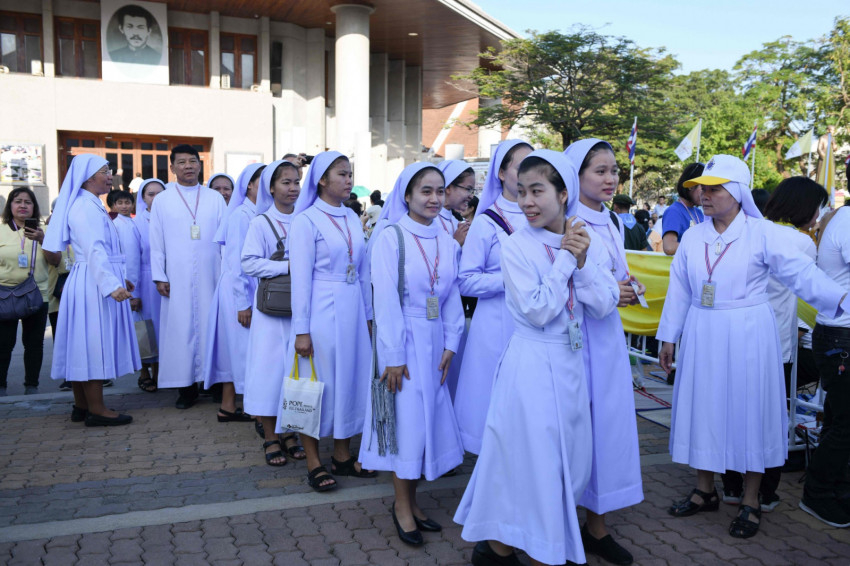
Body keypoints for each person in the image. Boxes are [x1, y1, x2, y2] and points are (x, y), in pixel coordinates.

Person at [657, 154, 849, 538]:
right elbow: (679, 288)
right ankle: (704, 489)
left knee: (750, 411)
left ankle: (750, 499)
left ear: (738, 192)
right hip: (702, 329)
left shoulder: (763, 233)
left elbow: (800, 273)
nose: (704, 194)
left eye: (715, 189)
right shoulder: (693, 235)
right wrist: (668, 337)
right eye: (702, 188)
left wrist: (839, 301)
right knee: (704, 406)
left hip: (749, 332)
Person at [455, 149, 619, 566]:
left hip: (570, 364)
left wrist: (583, 263)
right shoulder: (516, 246)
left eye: (537, 191)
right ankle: (515, 547)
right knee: (529, 462)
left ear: (563, 194)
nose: (526, 201)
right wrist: (566, 259)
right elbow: (538, 310)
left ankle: (512, 544)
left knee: (570, 461)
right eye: (522, 191)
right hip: (530, 365)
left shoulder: (586, 239)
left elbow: (604, 304)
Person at [359, 162, 464, 546]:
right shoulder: (391, 237)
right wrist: (393, 355)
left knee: (426, 423)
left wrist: (451, 343)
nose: (435, 198)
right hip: (403, 341)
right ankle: (402, 507)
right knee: (407, 425)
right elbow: (385, 299)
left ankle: (414, 502)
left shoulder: (447, 239)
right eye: (426, 191)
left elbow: (450, 294)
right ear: (407, 195)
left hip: (434, 341)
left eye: (440, 191)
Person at [717, 176, 829, 512]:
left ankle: (731, 485)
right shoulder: (802, 243)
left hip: (736, 335)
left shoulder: (749, 230)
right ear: (804, 208)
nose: (819, 216)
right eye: (818, 208)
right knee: (768, 421)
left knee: (733, 413)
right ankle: (765, 492)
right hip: (774, 342)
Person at [565, 139, 645, 565]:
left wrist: (629, 287)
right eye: (600, 170)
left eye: (613, 170)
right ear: (575, 174)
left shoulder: (612, 220)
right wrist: (613, 290)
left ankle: (596, 525)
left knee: (607, 426)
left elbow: (615, 271)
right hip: (577, 337)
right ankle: (562, 522)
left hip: (608, 336)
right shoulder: (569, 222)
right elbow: (570, 280)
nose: (611, 178)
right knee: (576, 427)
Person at [287, 151, 376, 491]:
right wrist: (302, 330)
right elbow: (300, 280)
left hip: (352, 308)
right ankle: (313, 461)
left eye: (350, 173)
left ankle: (342, 455)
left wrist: (368, 316)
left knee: (349, 380)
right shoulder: (306, 220)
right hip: (321, 309)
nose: (348, 179)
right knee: (316, 383)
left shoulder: (352, 216)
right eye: (341, 174)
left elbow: (363, 271)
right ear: (322, 179)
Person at [43, 154, 140, 425]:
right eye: (104, 171)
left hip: (92, 279)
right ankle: (97, 410)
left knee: (81, 343)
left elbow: (104, 250)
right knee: (92, 343)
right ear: (87, 178)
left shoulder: (89, 203)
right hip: (92, 284)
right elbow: (94, 250)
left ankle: (82, 405)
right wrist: (112, 285)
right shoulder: (84, 207)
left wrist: (120, 277)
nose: (110, 176)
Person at [454, 139, 532, 455]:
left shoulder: (539, 215)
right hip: (496, 324)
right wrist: (509, 281)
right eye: (520, 166)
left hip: (534, 321)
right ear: (501, 173)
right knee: (494, 400)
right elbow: (466, 280)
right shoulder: (486, 221)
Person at [150, 144, 226, 409]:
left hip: (211, 273)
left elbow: (225, 240)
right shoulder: (163, 200)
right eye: (181, 162)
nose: (188, 166)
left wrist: (226, 274)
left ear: (200, 165)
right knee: (180, 329)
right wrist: (159, 275)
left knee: (212, 326)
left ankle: (216, 383)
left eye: (193, 161)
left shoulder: (214, 198)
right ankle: (186, 388)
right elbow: (156, 241)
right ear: (172, 168)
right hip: (176, 275)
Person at [242, 159, 306, 466]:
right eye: (286, 182)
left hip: (300, 309)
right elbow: (249, 262)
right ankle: (270, 436)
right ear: (271, 187)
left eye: (296, 182)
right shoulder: (261, 223)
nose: (293, 188)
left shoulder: (306, 219)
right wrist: (288, 266)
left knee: (294, 372)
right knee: (269, 374)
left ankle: (290, 432)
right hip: (270, 312)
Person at [800, 190, 850, 527]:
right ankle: (817, 494)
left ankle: (834, 489)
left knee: (838, 419)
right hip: (840, 336)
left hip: (838, 334)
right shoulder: (847, 220)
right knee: (845, 424)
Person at [204, 163, 266, 422]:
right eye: (263, 181)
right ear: (249, 185)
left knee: (235, 350)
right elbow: (236, 262)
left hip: (248, 288)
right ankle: (257, 412)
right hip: (239, 290)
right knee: (245, 350)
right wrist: (242, 303)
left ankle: (228, 406)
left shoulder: (260, 212)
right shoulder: (241, 215)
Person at [0, 188, 56, 396]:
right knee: (3, 343)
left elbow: (56, 261)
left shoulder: (46, 230)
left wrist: (43, 240)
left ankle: (31, 385)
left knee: (33, 344)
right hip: (5, 294)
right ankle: (1, 386)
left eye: (28, 202)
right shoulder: (1, 229)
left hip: (37, 294)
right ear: (10, 206)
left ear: (34, 206)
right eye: (18, 201)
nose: (23, 205)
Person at [133, 179, 165, 392]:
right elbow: (133, 259)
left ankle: (161, 371)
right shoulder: (136, 223)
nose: (155, 198)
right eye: (150, 194)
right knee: (145, 327)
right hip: (144, 280)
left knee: (163, 328)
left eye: (159, 193)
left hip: (167, 281)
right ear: (143, 198)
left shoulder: (170, 219)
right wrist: (134, 292)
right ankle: (145, 372)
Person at [662, 163, 705, 255]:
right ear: (690, 186)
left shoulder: (699, 212)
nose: (706, 193)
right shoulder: (674, 211)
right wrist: (702, 247)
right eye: (703, 188)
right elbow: (669, 247)